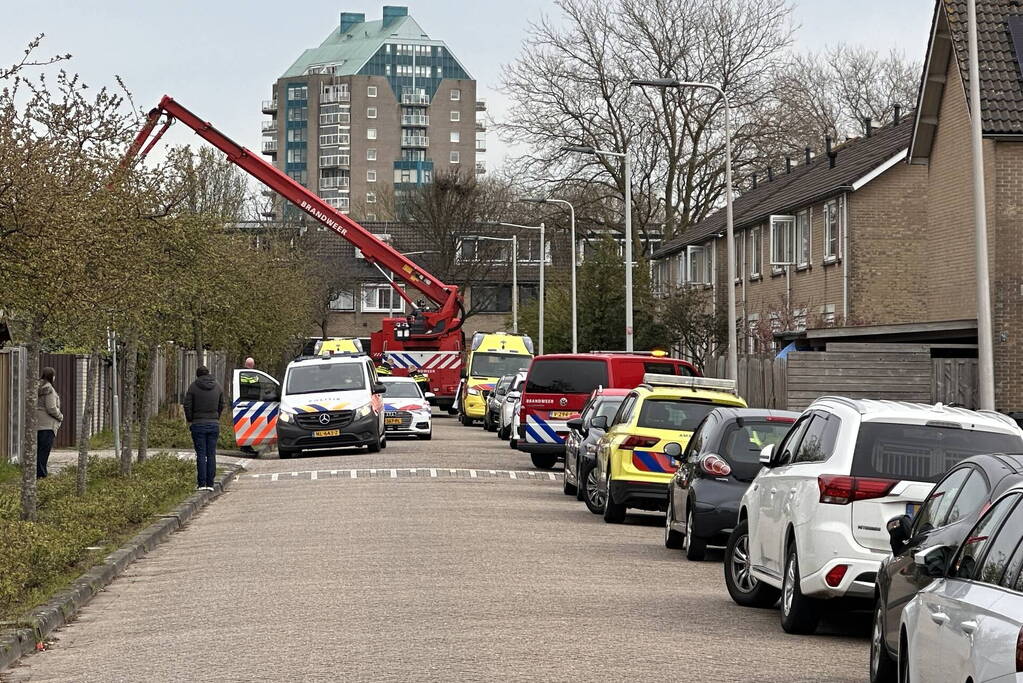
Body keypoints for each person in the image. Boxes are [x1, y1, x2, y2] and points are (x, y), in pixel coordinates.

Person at [183, 366, 224, 491]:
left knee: (201, 454)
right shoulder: (218, 386)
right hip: (213, 424)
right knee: (211, 453)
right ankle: (211, 483)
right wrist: (216, 417)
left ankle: (201, 484)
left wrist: (191, 420)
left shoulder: (193, 387)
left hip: (198, 424)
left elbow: (187, 405)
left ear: (197, 375)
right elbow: (221, 405)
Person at [36, 367, 63, 478]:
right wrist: (60, 416)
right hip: (47, 425)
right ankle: (41, 475)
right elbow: (51, 408)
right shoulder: (49, 389)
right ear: (52, 376)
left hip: (36, 424)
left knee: (38, 451)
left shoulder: (37, 387)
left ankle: (37, 473)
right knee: (44, 452)